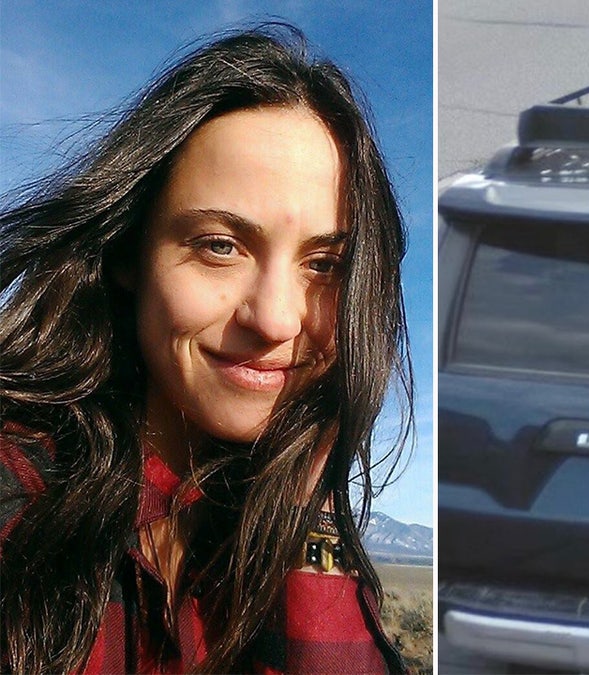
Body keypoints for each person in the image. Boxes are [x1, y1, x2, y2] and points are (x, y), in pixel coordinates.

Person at [0, 24, 414, 673]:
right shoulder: (19, 502)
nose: (276, 318)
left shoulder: (280, 515)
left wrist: (310, 519)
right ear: (131, 252)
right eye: (221, 245)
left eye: (326, 263)